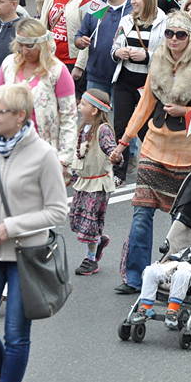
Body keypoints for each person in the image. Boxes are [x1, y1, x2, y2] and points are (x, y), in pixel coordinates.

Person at [0, 82, 68, 382]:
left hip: (26, 255)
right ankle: (3, 380)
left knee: (16, 336)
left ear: (21, 116)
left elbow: (57, 212)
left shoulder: (43, 156)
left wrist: (11, 226)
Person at [110, 11, 191, 295]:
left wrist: (186, 112)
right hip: (154, 146)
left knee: (180, 221)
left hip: (188, 152)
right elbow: (144, 104)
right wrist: (123, 143)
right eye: (169, 33)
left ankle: (174, 276)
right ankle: (135, 278)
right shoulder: (157, 58)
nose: (173, 39)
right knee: (141, 213)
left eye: (180, 34)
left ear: (189, 37)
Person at [0, 19, 78, 168]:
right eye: (20, 45)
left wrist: (64, 159)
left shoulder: (57, 70)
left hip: (44, 153)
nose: (24, 51)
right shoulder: (8, 65)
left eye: (29, 46)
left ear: (41, 45)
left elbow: (69, 117)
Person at [109, 0, 167, 184]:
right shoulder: (126, 20)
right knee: (121, 126)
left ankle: (158, 169)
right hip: (125, 79)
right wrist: (119, 52)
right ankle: (119, 173)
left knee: (147, 129)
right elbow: (114, 47)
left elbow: (167, 54)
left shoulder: (163, 21)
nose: (132, 1)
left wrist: (147, 56)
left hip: (148, 83)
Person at [129, 225, 191, 328]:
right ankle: (145, 308)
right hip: (174, 266)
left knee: (182, 274)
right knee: (150, 271)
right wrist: (166, 263)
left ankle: (172, 310)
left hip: (190, 274)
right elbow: (178, 255)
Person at [69, 89, 118, 276]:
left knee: (90, 222)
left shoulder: (103, 130)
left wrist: (115, 157)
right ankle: (99, 239)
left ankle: (91, 259)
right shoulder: (83, 128)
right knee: (77, 219)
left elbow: (111, 150)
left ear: (95, 110)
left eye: (83, 104)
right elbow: (80, 155)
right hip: (84, 181)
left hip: (98, 184)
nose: (79, 106)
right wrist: (72, 174)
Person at [74, 0, 132, 95]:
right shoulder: (97, 7)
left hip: (123, 77)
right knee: (93, 114)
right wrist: (81, 41)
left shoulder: (133, 8)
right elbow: (79, 37)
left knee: (119, 116)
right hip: (96, 76)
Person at [40, 0, 90, 77]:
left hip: (71, 60)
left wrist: (80, 66)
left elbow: (91, 32)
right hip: (50, 57)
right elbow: (42, 26)